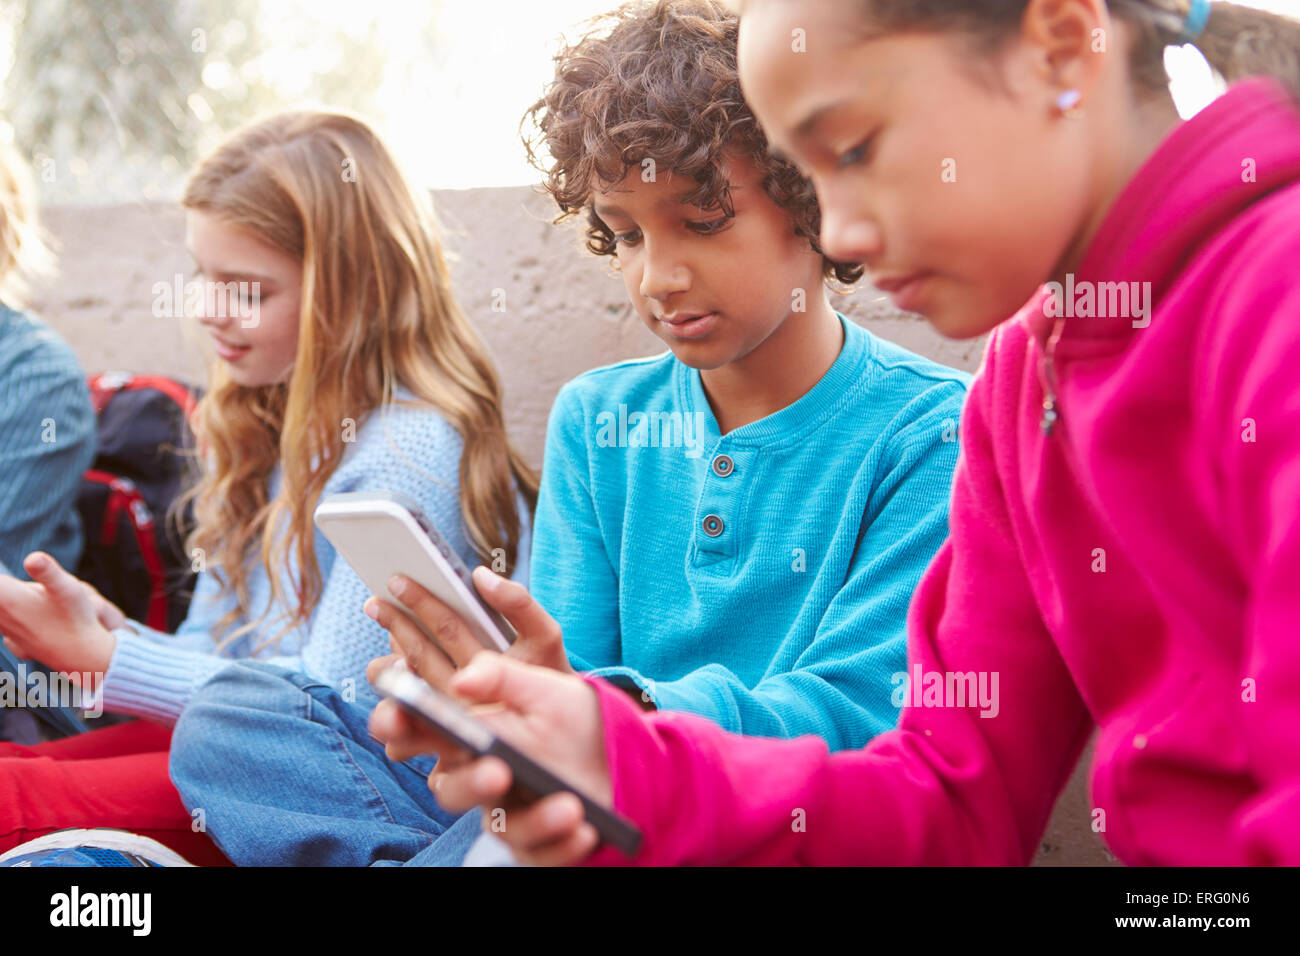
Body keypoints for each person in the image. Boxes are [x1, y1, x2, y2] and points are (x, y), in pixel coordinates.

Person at [373, 0, 1300, 866]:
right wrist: (620, 764)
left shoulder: (1274, 297)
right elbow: (950, 800)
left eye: (852, 149)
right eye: (810, 176)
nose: (842, 232)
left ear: (1061, 46)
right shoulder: (1021, 387)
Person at [167, 0, 967, 866]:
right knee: (240, 722)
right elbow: (564, 679)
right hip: (571, 793)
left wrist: (613, 717)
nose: (656, 276)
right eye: (624, 235)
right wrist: (489, 696)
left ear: (811, 200)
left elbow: (851, 716)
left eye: (702, 222)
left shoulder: (926, 434)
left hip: (734, 818)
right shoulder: (601, 418)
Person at [0, 110, 535, 867]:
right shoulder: (263, 421)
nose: (210, 310)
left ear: (349, 295)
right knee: (15, 772)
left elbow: (329, 707)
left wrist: (111, 661)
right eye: (202, 277)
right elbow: (212, 654)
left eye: (245, 289)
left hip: (351, 780)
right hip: (237, 745)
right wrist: (113, 633)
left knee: (17, 806)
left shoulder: (407, 447)